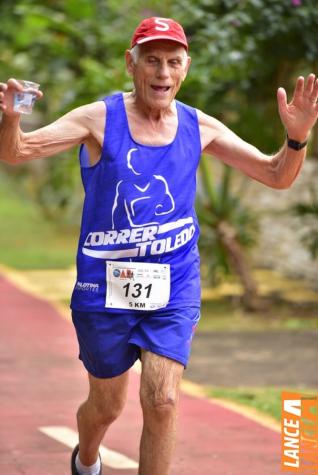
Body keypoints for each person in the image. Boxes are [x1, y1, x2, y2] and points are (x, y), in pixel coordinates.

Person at [0, 16, 317, 475]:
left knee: (163, 397)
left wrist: (297, 136)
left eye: (172, 62)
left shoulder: (199, 126)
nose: (162, 73)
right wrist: (11, 121)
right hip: (103, 288)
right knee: (106, 406)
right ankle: (86, 458)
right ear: (131, 65)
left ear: (186, 69)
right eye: (152, 61)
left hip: (173, 282)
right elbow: (18, 152)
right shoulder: (98, 118)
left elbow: (276, 175)